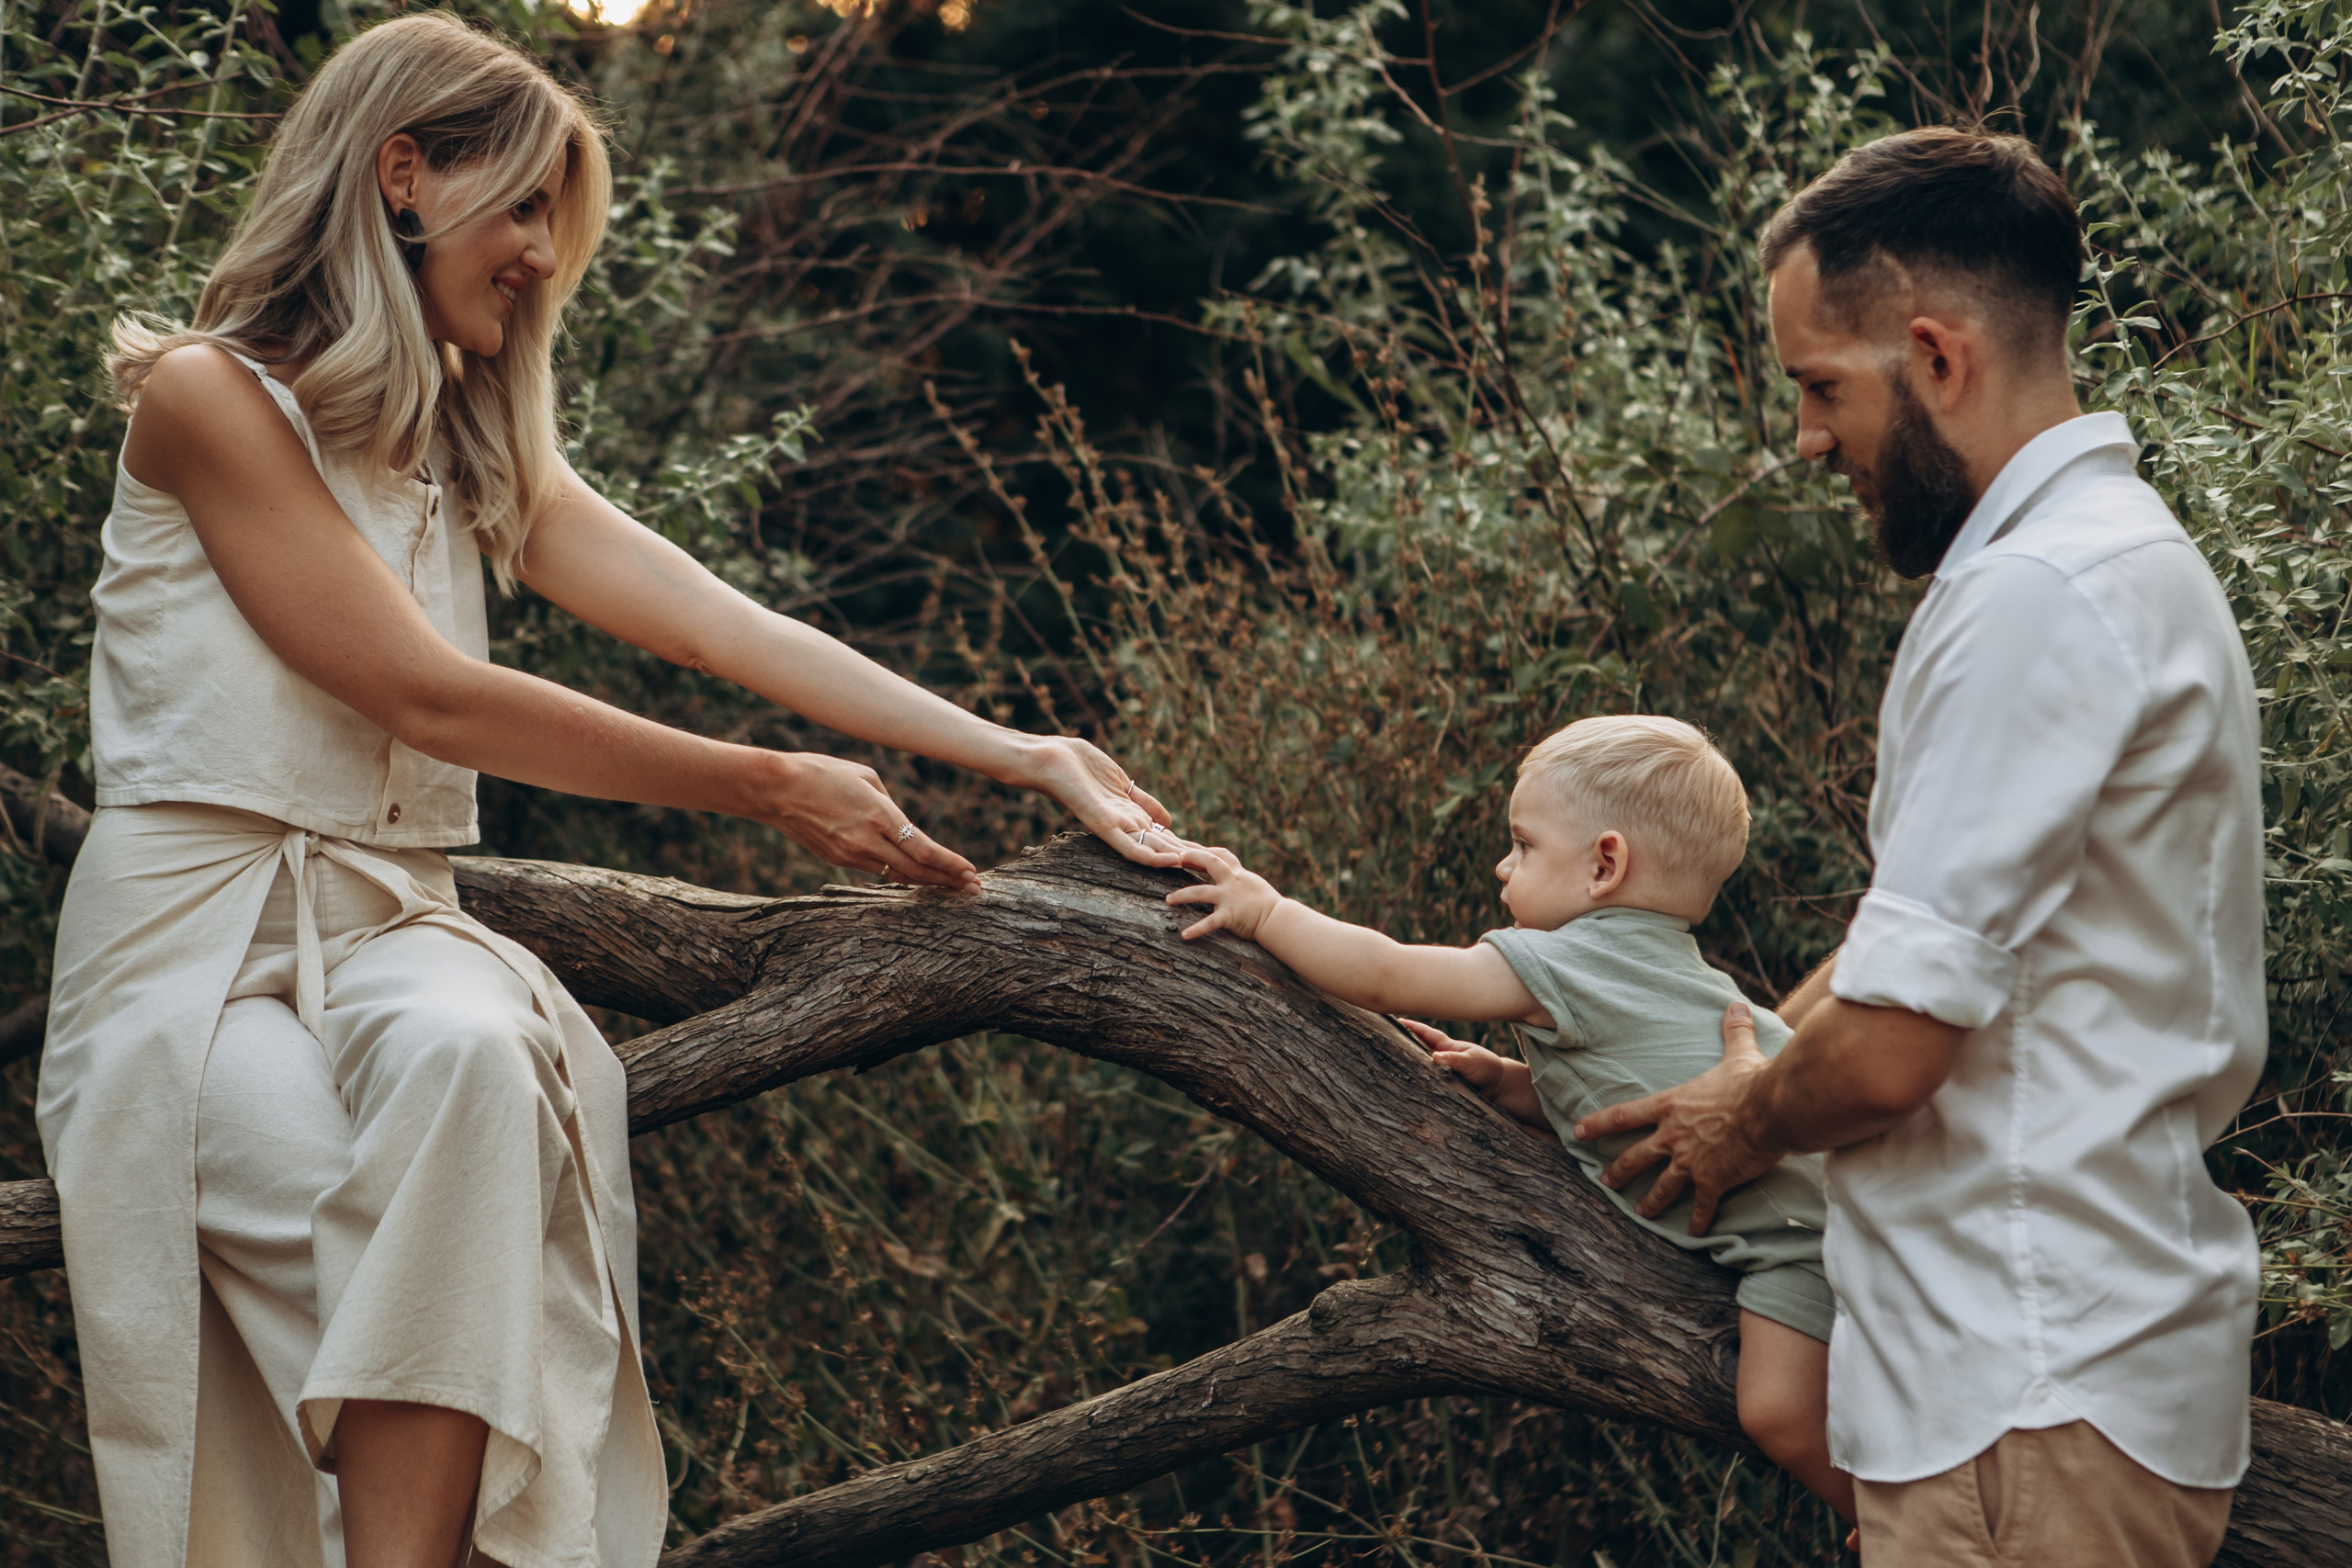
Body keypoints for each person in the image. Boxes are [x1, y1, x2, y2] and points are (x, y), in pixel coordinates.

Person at [36, 15, 1182, 1568]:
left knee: (480, 1060)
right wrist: (767, 785)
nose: (539, 255)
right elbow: (424, 691)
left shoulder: (462, 440)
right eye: (522, 208)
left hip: (393, 921)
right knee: (372, 1250)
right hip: (190, 947)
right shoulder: (208, 395)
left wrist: (1018, 748)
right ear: (402, 175)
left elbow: (722, 624)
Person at [1571, 128, 2265, 1567]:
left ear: (1936, 357)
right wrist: (1683, 1067)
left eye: (1822, 385)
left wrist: (1740, 1124)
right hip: (2040, 1391)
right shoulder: (2104, 558)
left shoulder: (2038, 592)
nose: (1809, 437)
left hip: (2025, 1405)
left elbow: (1889, 1046)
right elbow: (1913, 947)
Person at [1164, 715, 1857, 1523]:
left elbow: (1388, 973)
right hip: (1840, 1204)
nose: (1503, 864)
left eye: (1523, 844)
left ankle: (1878, 1519)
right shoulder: (1667, 969)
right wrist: (1513, 1081)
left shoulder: (1566, 959)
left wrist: (1266, 912)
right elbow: (1622, 1097)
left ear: (1604, 865)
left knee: (1776, 1412)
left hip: (1799, 1245)